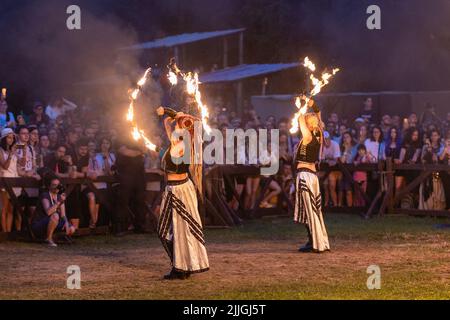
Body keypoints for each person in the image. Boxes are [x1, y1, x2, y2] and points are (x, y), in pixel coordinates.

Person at [156, 106, 209, 279]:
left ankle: (181, 268)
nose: (175, 127)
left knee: (181, 230)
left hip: (180, 190)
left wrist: (168, 110)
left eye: (179, 126)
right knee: (166, 230)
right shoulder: (176, 144)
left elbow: (186, 123)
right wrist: (167, 113)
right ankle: (180, 266)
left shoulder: (184, 145)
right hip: (173, 189)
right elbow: (167, 123)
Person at [293, 96, 330, 253]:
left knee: (309, 209)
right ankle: (317, 240)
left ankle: (315, 243)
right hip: (312, 177)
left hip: (305, 176)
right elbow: (318, 111)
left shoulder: (308, 137)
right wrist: (307, 100)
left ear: (308, 125)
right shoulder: (319, 135)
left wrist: (299, 107)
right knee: (313, 209)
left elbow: (300, 118)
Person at [31, 175, 75, 247]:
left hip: (53, 222)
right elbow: (48, 212)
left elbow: (63, 215)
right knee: (55, 215)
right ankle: (49, 238)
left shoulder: (59, 196)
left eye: (58, 185)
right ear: (49, 187)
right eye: (54, 185)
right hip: (39, 223)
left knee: (72, 229)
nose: (56, 187)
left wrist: (67, 223)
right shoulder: (45, 195)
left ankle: (53, 236)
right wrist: (58, 202)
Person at [0, 128, 20, 232]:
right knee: (4, 208)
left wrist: (23, 152)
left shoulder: (13, 151)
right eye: (9, 137)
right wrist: (11, 154)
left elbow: (18, 166)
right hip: (4, 181)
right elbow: (5, 166)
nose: (11, 139)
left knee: (11, 209)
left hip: (14, 181)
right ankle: (4, 233)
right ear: (4, 139)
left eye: (12, 137)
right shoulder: (0, 151)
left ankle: (9, 232)